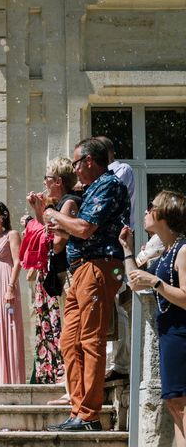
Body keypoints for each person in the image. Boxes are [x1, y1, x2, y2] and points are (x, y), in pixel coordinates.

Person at [45, 137, 130, 432]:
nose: (75, 169)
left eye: (77, 163)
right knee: (69, 341)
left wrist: (53, 213)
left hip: (98, 266)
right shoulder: (93, 188)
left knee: (91, 341)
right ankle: (78, 410)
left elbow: (84, 228)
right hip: (81, 270)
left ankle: (89, 415)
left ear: (90, 161)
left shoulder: (109, 184)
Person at [120, 190, 186, 446]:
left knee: (181, 403)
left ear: (165, 214)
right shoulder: (166, 251)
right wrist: (127, 250)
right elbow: (135, 282)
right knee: (174, 403)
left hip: (181, 335)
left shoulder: (182, 250)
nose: (146, 212)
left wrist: (155, 281)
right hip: (169, 334)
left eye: (151, 207)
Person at [25, 157, 81, 384]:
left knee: (69, 331)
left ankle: (70, 384)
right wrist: (40, 210)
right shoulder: (61, 204)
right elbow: (49, 233)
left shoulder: (68, 203)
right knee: (65, 331)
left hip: (68, 273)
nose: (44, 182)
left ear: (58, 181)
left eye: (47, 178)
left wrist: (46, 211)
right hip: (61, 273)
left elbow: (57, 243)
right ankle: (68, 382)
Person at [96, 136, 136, 383]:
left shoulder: (122, 170)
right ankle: (110, 363)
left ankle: (120, 363)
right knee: (106, 304)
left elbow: (107, 195)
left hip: (117, 248)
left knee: (119, 301)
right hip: (103, 248)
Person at [0, 201, 25, 384]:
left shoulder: (12, 234)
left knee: (8, 328)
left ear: (4, 216)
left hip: (6, 284)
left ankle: (11, 379)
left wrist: (10, 287)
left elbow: (18, 262)